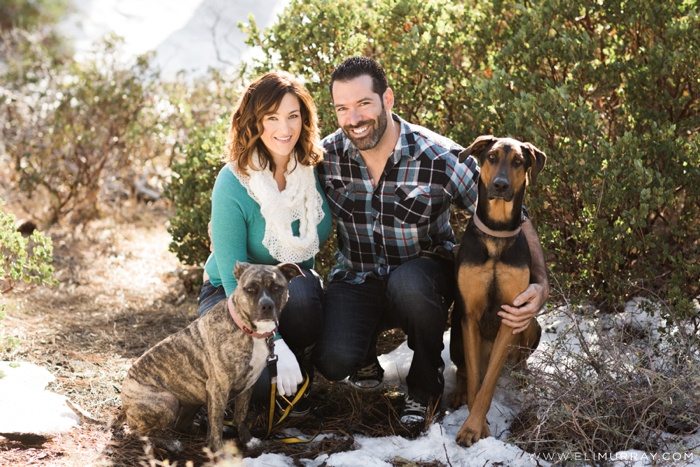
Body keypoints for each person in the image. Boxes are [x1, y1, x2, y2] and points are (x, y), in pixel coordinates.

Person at [312, 56, 549, 431]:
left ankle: (424, 391)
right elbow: (279, 177)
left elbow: (512, 211)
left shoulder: (438, 155)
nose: (353, 118)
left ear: (387, 99)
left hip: (421, 280)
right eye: (342, 108)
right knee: (333, 359)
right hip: (357, 278)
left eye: (363, 104)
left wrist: (540, 283)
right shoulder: (325, 156)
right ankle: (363, 352)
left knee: (409, 283)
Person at [198, 71, 333, 415]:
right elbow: (233, 279)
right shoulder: (233, 181)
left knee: (303, 295)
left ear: (304, 119)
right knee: (252, 385)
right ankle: (276, 365)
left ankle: (300, 363)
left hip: (284, 295)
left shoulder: (310, 171)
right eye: (271, 118)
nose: (284, 129)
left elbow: (307, 256)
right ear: (253, 123)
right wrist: (274, 343)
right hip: (230, 295)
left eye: (292, 116)